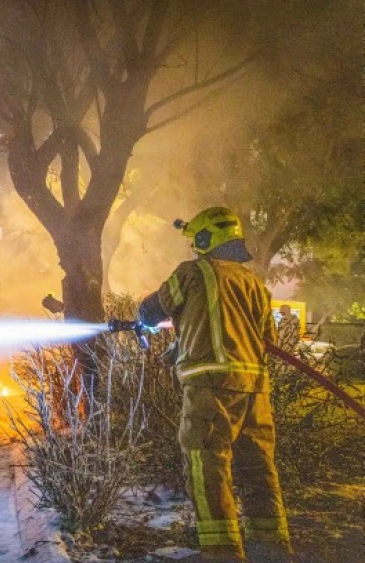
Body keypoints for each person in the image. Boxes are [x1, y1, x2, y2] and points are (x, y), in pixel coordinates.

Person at [138, 207, 291, 562]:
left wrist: (142, 316)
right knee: (257, 467)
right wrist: (183, 344)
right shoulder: (255, 284)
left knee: (207, 463)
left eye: (196, 239)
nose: (194, 246)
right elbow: (265, 338)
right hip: (255, 390)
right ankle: (271, 548)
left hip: (211, 388)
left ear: (206, 239)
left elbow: (155, 308)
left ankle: (221, 552)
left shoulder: (193, 273)